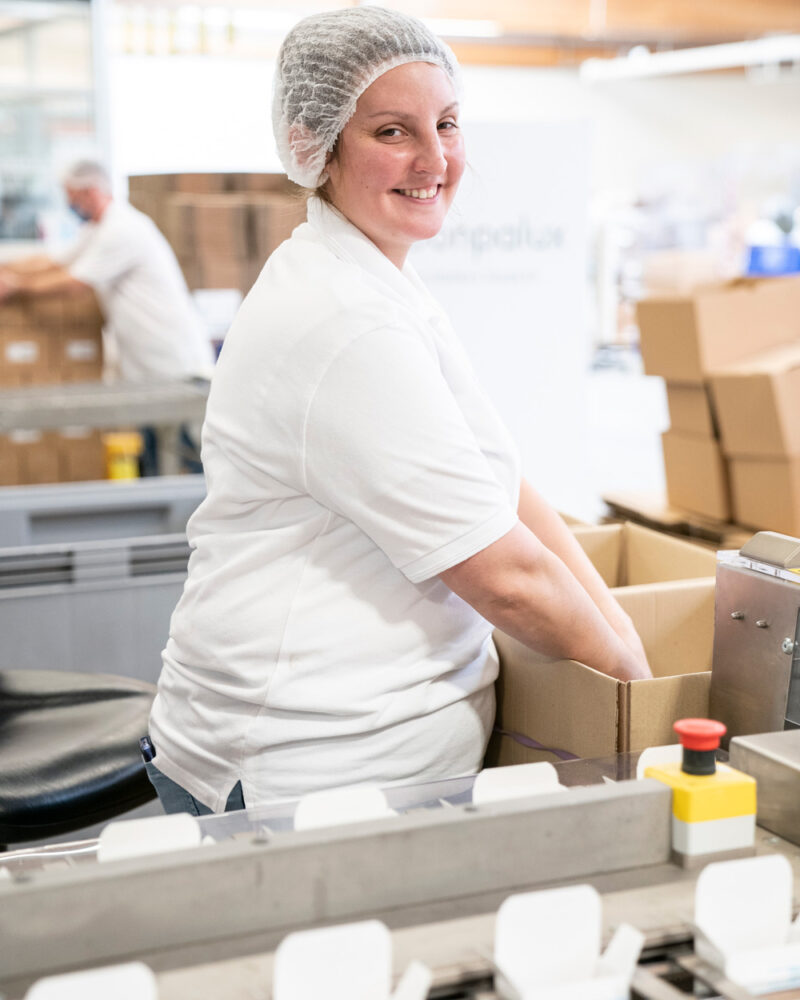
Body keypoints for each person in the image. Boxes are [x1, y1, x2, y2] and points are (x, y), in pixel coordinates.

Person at [144, 5, 652, 817]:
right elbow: (508, 579)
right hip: (301, 779)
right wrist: (646, 703)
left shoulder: (374, 277)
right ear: (319, 149)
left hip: (364, 763)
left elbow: (503, 486)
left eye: (446, 123)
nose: (435, 158)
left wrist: (627, 644)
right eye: (392, 131)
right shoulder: (345, 321)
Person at [0, 160, 215, 473]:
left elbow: (75, 282)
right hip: (143, 363)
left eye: (71, 195)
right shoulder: (97, 229)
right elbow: (56, 261)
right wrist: (10, 270)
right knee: (152, 446)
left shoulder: (123, 229)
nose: (69, 203)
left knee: (182, 449)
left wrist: (16, 286)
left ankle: (181, 517)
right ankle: (155, 511)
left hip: (172, 359)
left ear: (90, 192)